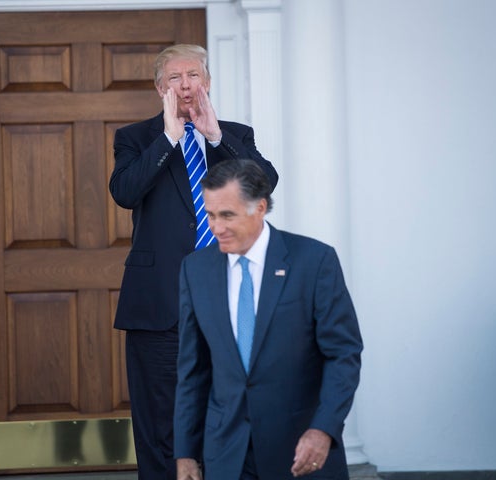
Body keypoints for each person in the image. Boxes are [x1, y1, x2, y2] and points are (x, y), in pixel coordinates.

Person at [109, 44, 278, 480]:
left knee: (232, 415)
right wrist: (168, 137)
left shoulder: (234, 135)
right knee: (160, 424)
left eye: (193, 76)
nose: (185, 85)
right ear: (159, 88)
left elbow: (264, 185)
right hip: (160, 305)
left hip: (230, 303)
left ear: (207, 82)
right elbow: (125, 192)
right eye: (174, 78)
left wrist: (216, 136)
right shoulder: (136, 138)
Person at [174, 159, 363, 480]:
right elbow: (192, 371)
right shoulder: (195, 269)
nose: (216, 227)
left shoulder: (315, 261)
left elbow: (343, 356)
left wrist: (323, 429)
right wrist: (186, 453)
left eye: (227, 215)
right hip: (227, 455)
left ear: (259, 207)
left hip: (301, 451)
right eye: (210, 215)